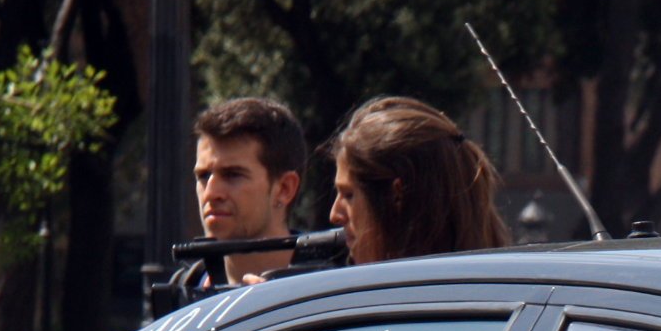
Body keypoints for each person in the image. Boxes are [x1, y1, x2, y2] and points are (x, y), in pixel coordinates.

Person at [323, 96, 511, 264]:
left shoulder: (404, 299)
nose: (334, 214)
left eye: (349, 195)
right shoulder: (487, 284)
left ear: (396, 195)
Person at [192, 97, 308, 287]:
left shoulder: (333, 292)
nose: (210, 193)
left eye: (232, 175)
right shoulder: (185, 290)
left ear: (285, 188)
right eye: (203, 176)